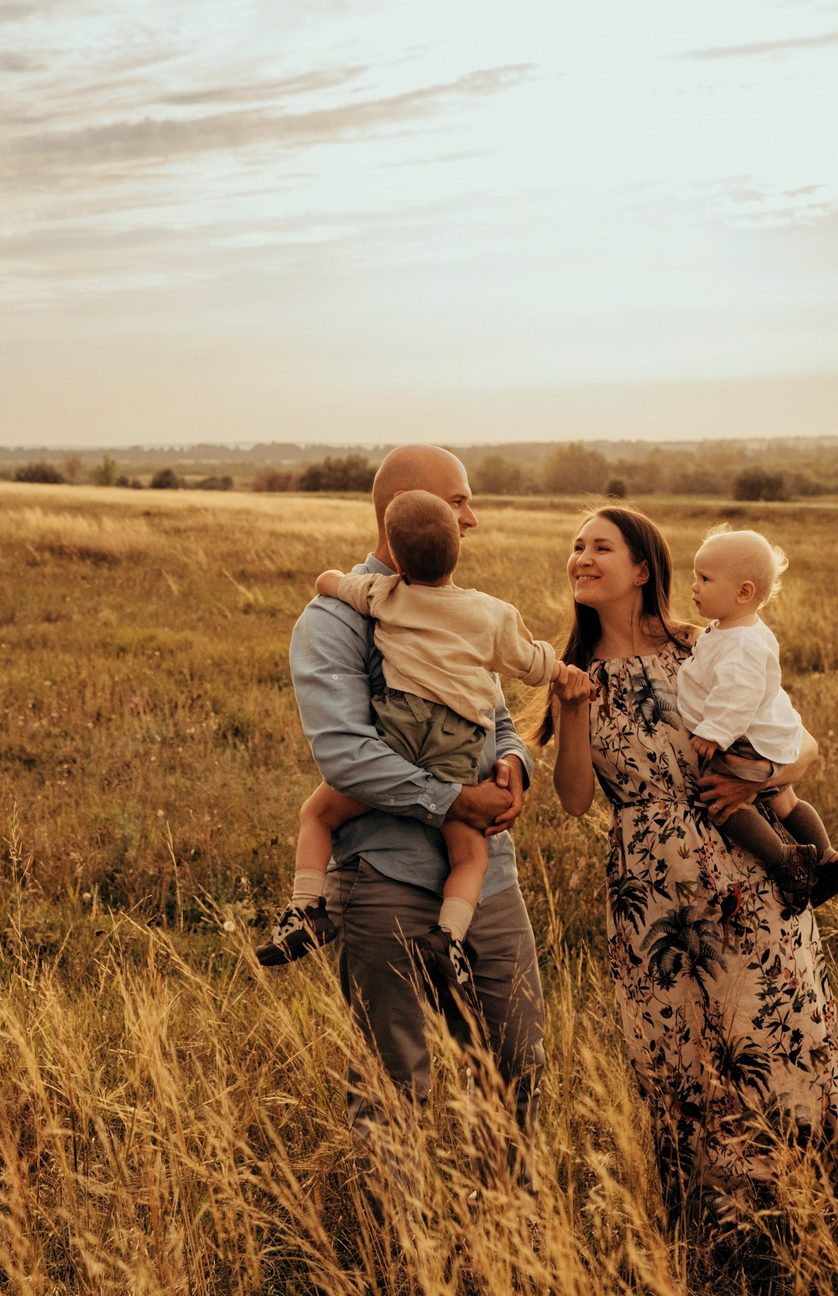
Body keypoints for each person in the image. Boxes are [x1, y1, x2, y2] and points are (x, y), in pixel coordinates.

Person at [545, 506, 838, 1234]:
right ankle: (729, 1238)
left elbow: (803, 746)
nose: (581, 558)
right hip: (649, 900)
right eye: (576, 546)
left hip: (745, 877)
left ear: (643, 567)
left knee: (789, 1043)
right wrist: (571, 709)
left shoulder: (707, 644)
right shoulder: (577, 674)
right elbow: (576, 799)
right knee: (678, 1066)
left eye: (600, 546)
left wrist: (754, 782)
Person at [286, 444, 559, 1190]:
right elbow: (346, 755)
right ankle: (400, 1257)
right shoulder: (335, 620)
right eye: (462, 501)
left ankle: (510, 1240)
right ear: (414, 504)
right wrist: (453, 799)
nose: (474, 518)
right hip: (384, 879)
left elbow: (495, 713)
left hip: (486, 881)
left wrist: (515, 766)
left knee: (517, 1062)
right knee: (394, 1081)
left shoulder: (460, 610)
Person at [257, 488, 575, 973]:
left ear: (396, 554)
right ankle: (448, 937)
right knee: (469, 854)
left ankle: (305, 908)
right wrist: (561, 670)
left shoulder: (385, 595)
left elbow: (332, 583)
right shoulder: (490, 613)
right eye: (460, 503)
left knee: (317, 814)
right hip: (457, 744)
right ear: (457, 547)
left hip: (399, 734)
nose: (472, 516)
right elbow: (531, 665)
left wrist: (331, 578)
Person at [670, 526, 838, 913]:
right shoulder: (733, 629)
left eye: (704, 579)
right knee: (784, 800)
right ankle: (829, 859)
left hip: (743, 742)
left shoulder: (741, 643)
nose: (694, 587)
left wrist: (714, 732)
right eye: (695, 576)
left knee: (724, 805)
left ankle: (787, 862)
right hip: (764, 736)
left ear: (743, 592)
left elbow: (737, 695)